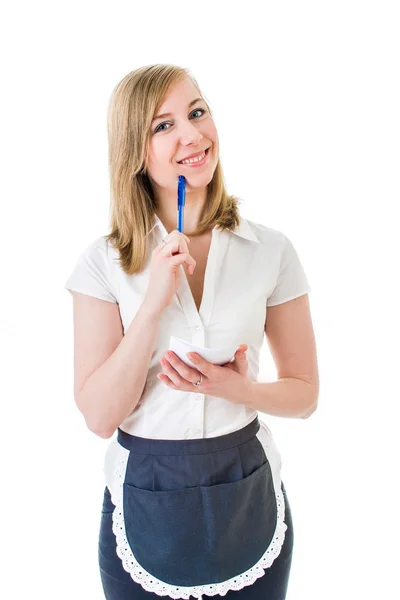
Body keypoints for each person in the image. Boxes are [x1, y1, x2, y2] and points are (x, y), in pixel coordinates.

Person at [64, 64, 319, 599]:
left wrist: (237, 389)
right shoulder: (102, 264)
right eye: (164, 125)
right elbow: (98, 416)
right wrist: (153, 304)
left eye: (197, 112)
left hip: (247, 495)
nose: (192, 134)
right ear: (136, 150)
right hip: (145, 499)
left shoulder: (271, 251)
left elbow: (304, 396)